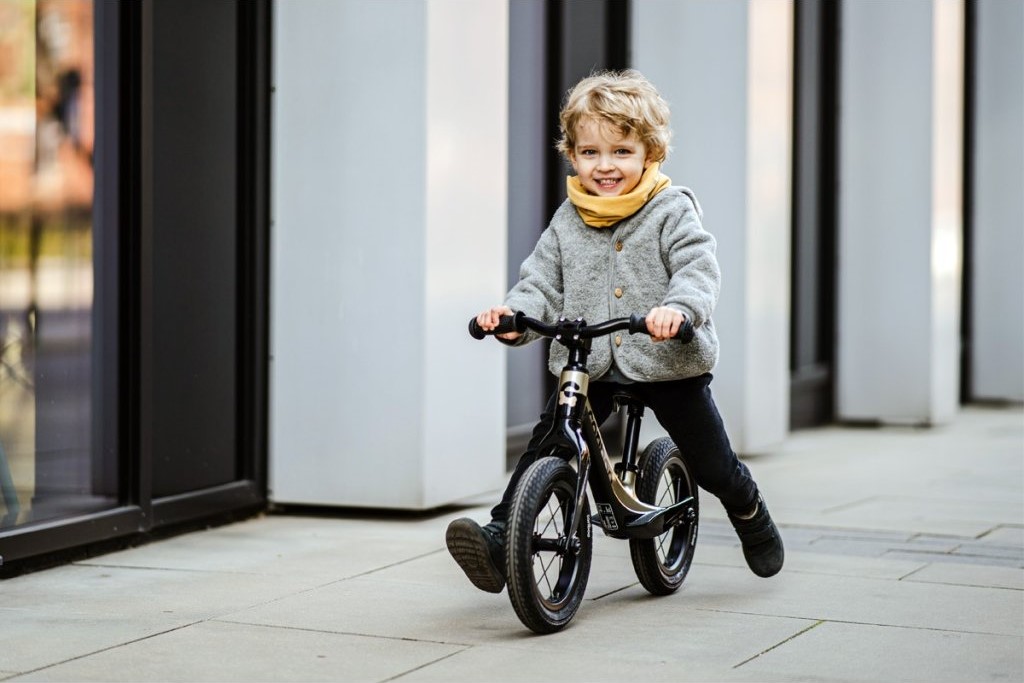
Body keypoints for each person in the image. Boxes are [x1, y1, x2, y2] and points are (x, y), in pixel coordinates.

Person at [446, 70, 784, 593]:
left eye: (621, 152)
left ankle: (750, 512)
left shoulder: (672, 209)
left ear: (650, 153)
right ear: (572, 155)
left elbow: (698, 268)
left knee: (711, 461)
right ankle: (499, 536)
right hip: (591, 365)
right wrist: (513, 318)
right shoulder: (568, 219)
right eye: (590, 152)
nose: (605, 166)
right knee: (547, 447)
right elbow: (540, 283)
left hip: (667, 361)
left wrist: (679, 309)